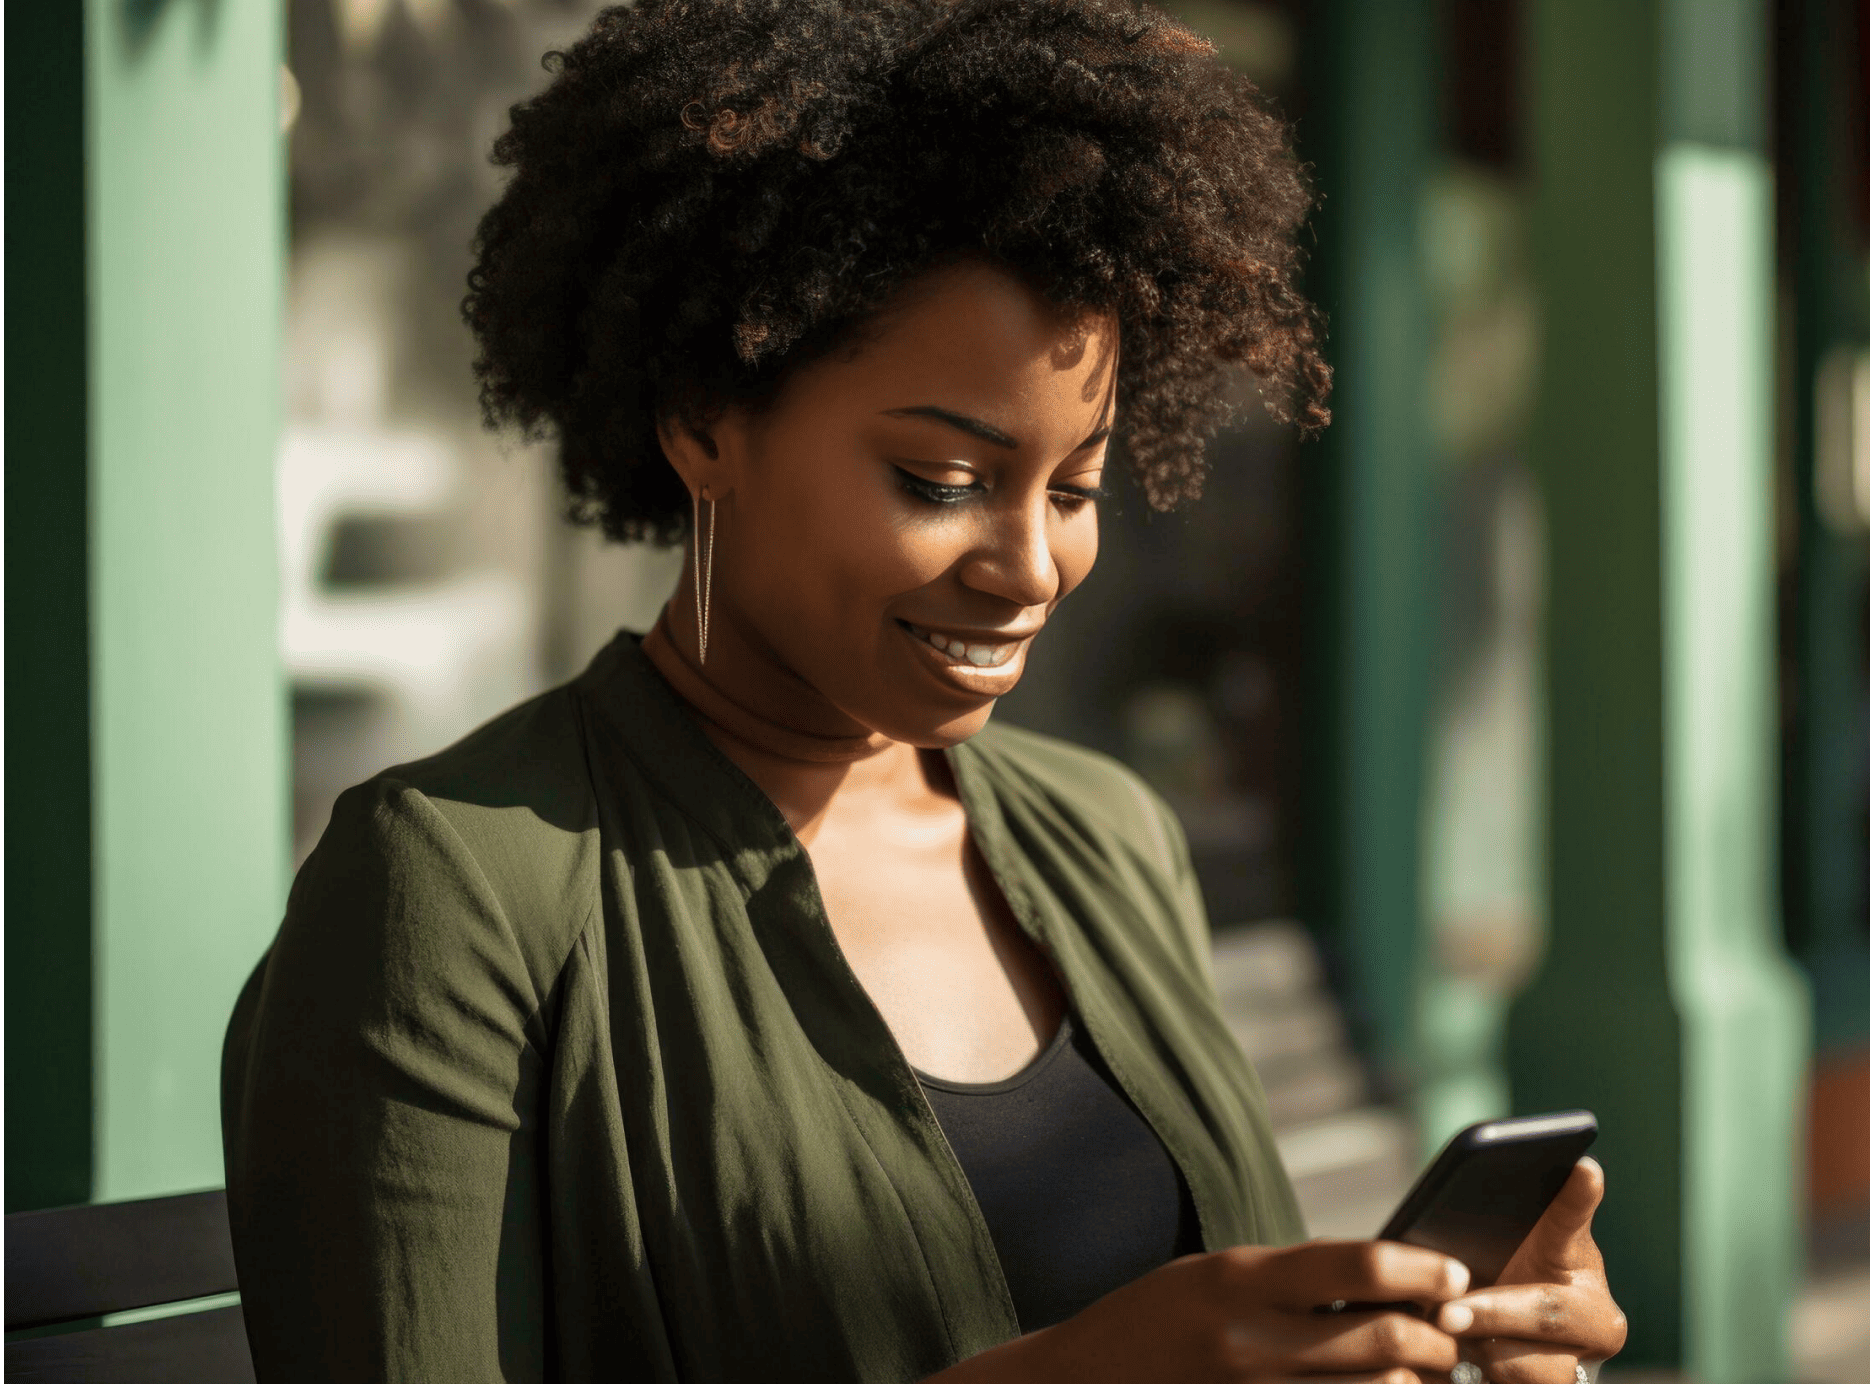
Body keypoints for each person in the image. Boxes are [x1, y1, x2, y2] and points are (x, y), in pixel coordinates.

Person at [220, 2, 1628, 1381]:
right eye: (942, 482)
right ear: (707, 421)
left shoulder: (1107, 839)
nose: (1033, 566)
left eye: (1076, 488)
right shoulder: (453, 895)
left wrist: (1418, 1345)